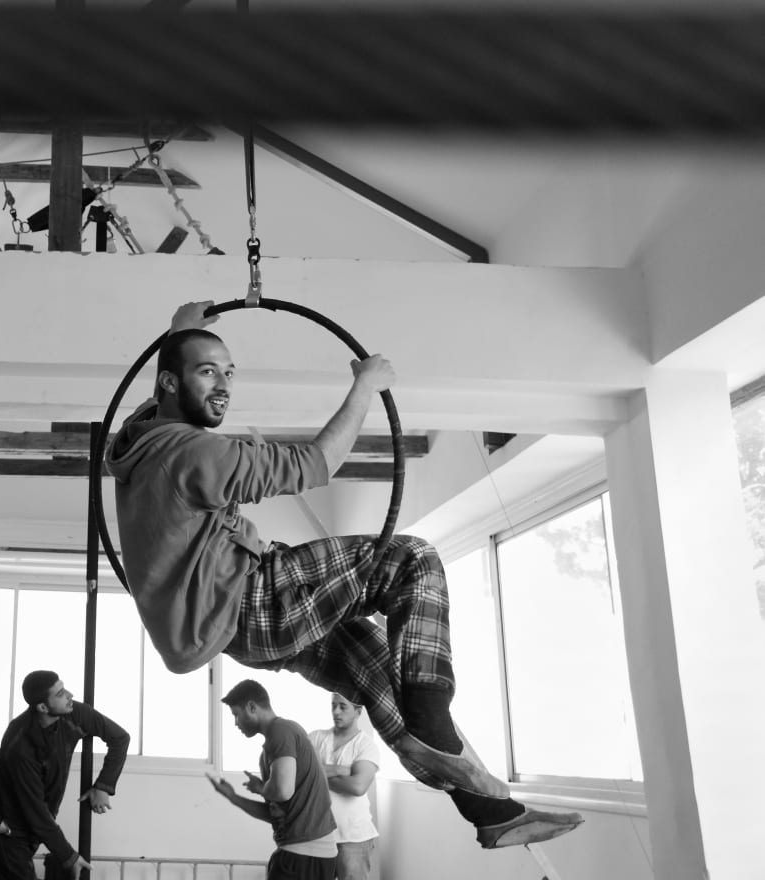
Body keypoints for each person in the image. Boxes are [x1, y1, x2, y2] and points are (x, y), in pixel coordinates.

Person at [106, 302, 583, 849]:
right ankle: (430, 724)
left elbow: (152, 408)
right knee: (412, 559)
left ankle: (490, 813)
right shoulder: (197, 453)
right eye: (207, 370)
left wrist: (181, 335)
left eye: (229, 371)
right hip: (258, 599)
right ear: (170, 382)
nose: (223, 385)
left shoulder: (139, 443)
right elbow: (317, 464)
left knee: (379, 675)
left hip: (236, 634)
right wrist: (365, 386)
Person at [0, 670, 130, 880]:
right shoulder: (20, 746)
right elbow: (35, 811)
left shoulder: (74, 713)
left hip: (34, 821)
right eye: (60, 694)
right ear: (42, 707)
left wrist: (104, 785)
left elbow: (120, 738)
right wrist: (69, 856)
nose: (70, 695)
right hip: (5, 822)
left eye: (64, 688)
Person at [210, 680, 338, 880]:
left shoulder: (281, 731)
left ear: (252, 707)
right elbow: (276, 814)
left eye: (236, 714)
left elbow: (282, 791)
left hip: (303, 856)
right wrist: (233, 797)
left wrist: (261, 789)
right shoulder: (272, 749)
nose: (236, 723)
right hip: (307, 854)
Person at [308, 694, 379, 880]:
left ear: (358, 711)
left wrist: (318, 775)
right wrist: (341, 770)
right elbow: (302, 773)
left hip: (354, 838)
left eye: (342, 707)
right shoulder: (316, 738)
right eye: (333, 706)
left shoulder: (366, 745)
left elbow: (358, 787)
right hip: (319, 835)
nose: (336, 712)